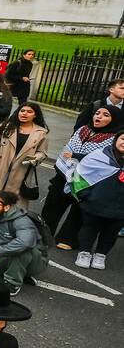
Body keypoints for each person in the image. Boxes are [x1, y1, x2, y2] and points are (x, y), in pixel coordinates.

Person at [42, 106, 122, 250]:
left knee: (78, 210)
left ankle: (68, 238)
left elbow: (102, 158)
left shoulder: (114, 138)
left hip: (88, 179)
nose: (99, 116)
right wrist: (69, 160)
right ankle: (43, 234)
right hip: (64, 174)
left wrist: (76, 157)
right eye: (97, 113)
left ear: (114, 119)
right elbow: (68, 149)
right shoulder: (83, 129)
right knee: (53, 205)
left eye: (105, 115)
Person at [71, 130, 124, 270]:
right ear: (116, 140)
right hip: (95, 202)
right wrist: (85, 195)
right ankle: (84, 253)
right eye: (123, 138)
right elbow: (80, 173)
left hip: (120, 208)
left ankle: (101, 255)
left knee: (111, 233)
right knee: (89, 228)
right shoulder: (99, 156)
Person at [0, 103, 48, 200]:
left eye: (29, 112)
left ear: (35, 115)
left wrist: (36, 158)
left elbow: (42, 152)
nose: (24, 114)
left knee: (11, 204)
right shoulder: (6, 126)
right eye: (22, 111)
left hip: (21, 171)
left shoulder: (41, 133)